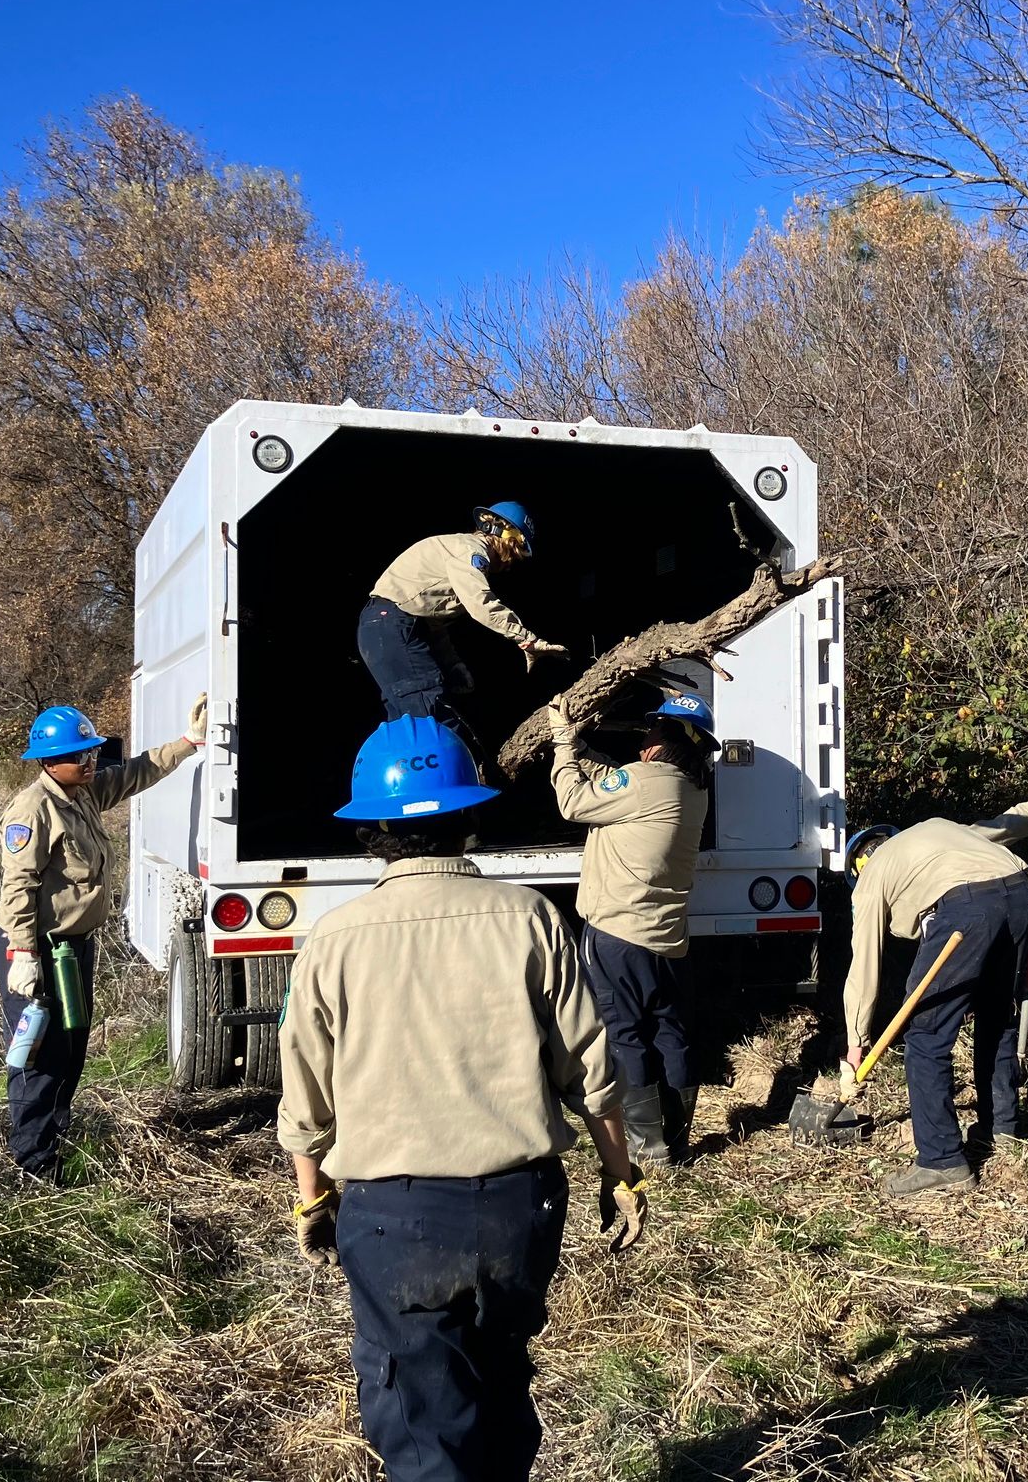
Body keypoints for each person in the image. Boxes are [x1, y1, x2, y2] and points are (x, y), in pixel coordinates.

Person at [278, 714, 647, 1481]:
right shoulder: (532, 920)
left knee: (422, 1425)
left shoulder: (334, 939)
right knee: (502, 1382)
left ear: (370, 827)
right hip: (521, 1211)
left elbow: (305, 1097)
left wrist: (312, 1201)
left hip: (395, 1220)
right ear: (470, 816)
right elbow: (591, 1069)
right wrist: (623, 1175)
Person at [0, 694, 205, 1183]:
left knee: (71, 1046)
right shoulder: (32, 810)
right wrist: (23, 954)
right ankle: (33, 1166)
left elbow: (134, 772)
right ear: (49, 761)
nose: (90, 761)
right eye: (78, 755)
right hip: (36, 949)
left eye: (90, 751)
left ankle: (55, 1137)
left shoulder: (83, 792)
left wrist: (188, 742)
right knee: (40, 1056)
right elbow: (18, 887)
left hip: (72, 948)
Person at [841, 771, 1028, 1197]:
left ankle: (942, 1160)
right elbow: (1004, 825)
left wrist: (856, 1044)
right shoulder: (937, 830)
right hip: (1019, 895)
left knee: (927, 1036)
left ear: (859, 866)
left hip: (966, 908)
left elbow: (864, 966)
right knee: (996, 1015)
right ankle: (1001, 1130)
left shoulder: (872, 879)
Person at [547, 689, 717, 1167]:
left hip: (619, 934)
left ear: (668, 739)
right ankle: (678, 1141)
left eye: (652, 731)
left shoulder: (645, 781)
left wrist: (563, 745)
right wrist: (583, 750)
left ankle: (649, 1147)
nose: (643, 740)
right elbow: (617, 779)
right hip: (666, 938)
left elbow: (575, 802)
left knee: (625, 1035)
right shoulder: (690, 786)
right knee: (670, 1033)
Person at [357, 502, 567, 767]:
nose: (513, 561)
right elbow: (480, 603)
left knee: (408, 717)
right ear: (500, 532)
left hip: (384, 627)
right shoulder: (470, 550)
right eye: (516, 549)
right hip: (391, 625)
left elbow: (431, 622)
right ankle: (463, 783)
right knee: (429, 712)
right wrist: (527, 639)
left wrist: (452, 664)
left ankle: (419, 783)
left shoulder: (453, 552)